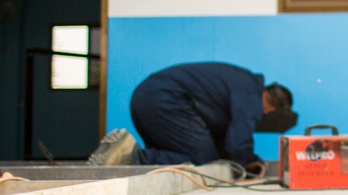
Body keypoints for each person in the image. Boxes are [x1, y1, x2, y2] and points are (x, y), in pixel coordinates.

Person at [88, 62, 298, 168]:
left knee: (175, 155)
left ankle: (122, 154)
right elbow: (237, 143)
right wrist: (252, 163)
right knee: (202, 159)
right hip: (167, 99)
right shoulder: (252, 96)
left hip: (145, 96)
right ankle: (130, 156)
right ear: (272, 108)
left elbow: (223, 140)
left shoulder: (242, 82)